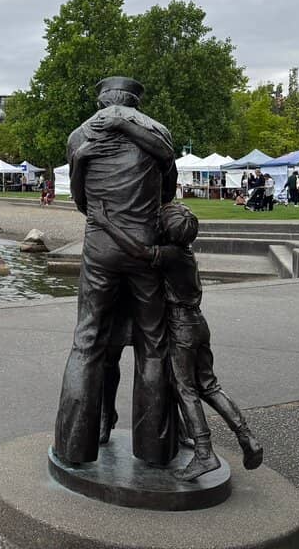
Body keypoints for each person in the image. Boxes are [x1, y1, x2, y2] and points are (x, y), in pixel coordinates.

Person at [89, 200, 263, 481]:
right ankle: (246, 436)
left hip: (181, 328)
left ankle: (204, 453)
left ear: (166, 232)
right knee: (209, 385)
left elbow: (139, 251)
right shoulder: (185, 254)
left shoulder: (169, 255)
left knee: (186, 390)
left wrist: (106, 223)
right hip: (198, 323)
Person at [54, 76, 178, 467]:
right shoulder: (158, 132)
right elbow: (168, 194)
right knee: (154, 344)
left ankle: (73, 446)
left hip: (101, 246)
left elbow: (81, 200)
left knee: (87, 340)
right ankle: (156, 448)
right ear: (135, 102)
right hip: (145, 245)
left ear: (102, 100)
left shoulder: (79, 136)